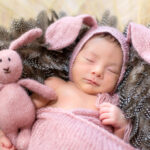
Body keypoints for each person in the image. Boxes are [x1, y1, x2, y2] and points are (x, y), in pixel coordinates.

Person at [0, 15, 134, 150]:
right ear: (74, 58)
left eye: (111, 70)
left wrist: (121, 125)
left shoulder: (110, 103)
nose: (98, 71)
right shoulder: (56, 85)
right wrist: (6, 137)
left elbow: (114, 144)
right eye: (89, 60)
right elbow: (20, 113)